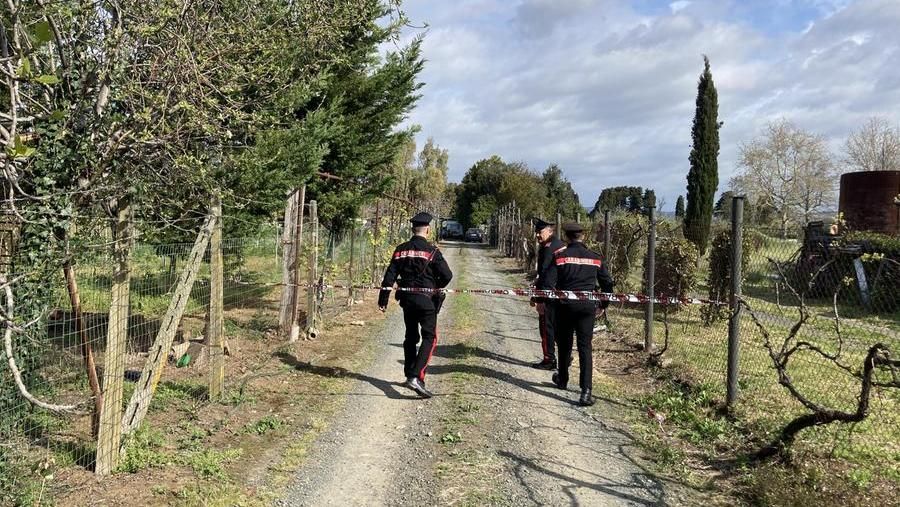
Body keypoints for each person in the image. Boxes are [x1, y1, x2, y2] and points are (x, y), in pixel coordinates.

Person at [378, 212, 453, 398]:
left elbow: (389, 276)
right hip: (426, 301)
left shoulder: (400, 249)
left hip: (406, 300)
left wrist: (383, 299)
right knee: (430, 338)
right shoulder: (432, 251)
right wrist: (436, 287)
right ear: (427, 229)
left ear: (413, 229)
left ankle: (408, 373)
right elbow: (447, 275)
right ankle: (416, 376)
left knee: (410, 337)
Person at [538, 222, 614, 406]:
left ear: (566, 237)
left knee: (564, 344)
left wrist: (548, 303)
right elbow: (608, 283)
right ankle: (586, 391)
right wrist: (603, 304)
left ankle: (563, 379)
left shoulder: (560, 256)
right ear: (583, 237)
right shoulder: (595, 257)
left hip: (564, 306)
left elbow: (547, 283)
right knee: (585, 347)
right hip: (587, 307)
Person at [530, 218, 566, 370]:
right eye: (536, 232)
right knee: (559, 328)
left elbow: (545, 274)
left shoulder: (548, 248)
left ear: (550, 231)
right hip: (563, 294)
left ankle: (549, 359)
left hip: (549, 294)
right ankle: (565, 355)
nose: (538, 235)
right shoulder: (561, 245)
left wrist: (539, 299)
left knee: (546, 328)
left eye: (541, 232)